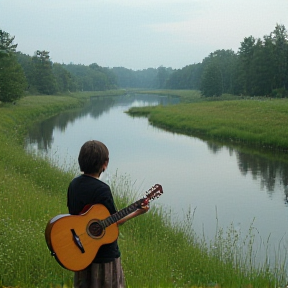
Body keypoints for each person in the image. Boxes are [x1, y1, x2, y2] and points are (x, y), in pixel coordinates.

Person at [67, 140, 149, 288]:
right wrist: (138, 212)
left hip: (81, 253)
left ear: (80, 160)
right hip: (104, 256)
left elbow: (74, 217)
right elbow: (113, 220)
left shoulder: (74, 184)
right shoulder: (102, 189)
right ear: (105, 163)